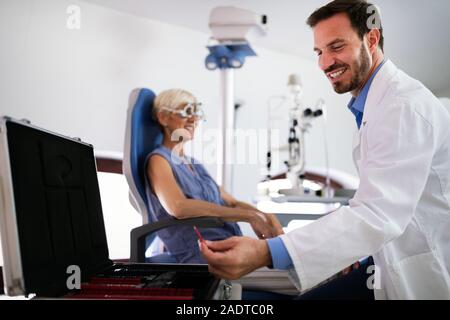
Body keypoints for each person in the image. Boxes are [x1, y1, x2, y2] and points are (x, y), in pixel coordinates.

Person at [200, 0, 450, 300]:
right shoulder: (375, 105)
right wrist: (348, 254)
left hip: (419, 266)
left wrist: (267, 251)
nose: (324, 63)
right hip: (382, 259)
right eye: (319, 52)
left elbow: (377, 212)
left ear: (371, 38)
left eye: (336, 46)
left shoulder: (402, 106)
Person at [146, 88, 283, 264]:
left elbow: (231, 202)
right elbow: (178, 207)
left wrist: (263, 214)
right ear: (163, 117)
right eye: (187, 111)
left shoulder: (194, 164)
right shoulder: (159, 160)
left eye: (196, 112)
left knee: (288, 264)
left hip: (231, 245)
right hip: (206, 254)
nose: (194, 119)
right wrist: (249, 216)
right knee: (292, 277)